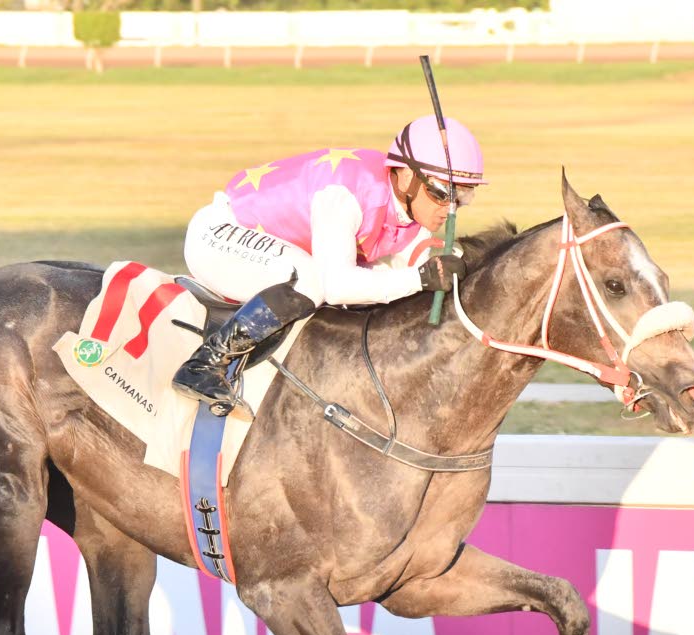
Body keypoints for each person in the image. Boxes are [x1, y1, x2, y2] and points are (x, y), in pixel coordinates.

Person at [171, 114, 487, 413]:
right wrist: (419, 278)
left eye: (463, 196)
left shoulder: (414, 220)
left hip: (276, 250)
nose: (451, 208)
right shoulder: (346, 194)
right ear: (406, 177)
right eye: (442, 193)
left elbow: (399, 292)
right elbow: (337, 286)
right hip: (219, 237)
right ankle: (204, 365)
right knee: (311, 280)